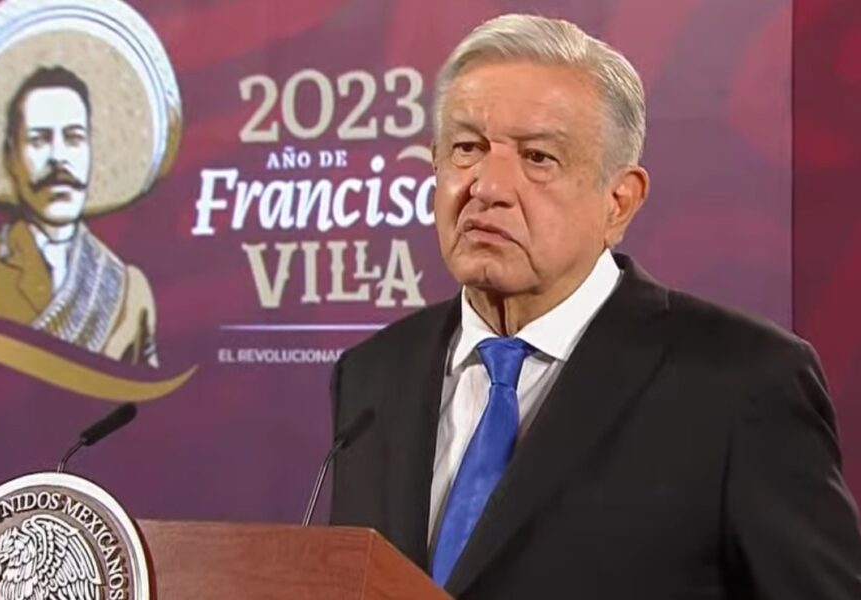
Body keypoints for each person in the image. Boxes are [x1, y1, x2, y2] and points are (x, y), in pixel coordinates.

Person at [329, 13, 861, 599]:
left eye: (538, 157)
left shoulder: (743, 382)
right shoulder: (374, 374)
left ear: (619, 201)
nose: (487, 186)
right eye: (467, 148)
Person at [0, 67, 158, 366]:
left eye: (74, 138)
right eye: (39, 140)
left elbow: (147, 393)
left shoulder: (129, 289)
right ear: (11, 157)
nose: (58, 158)